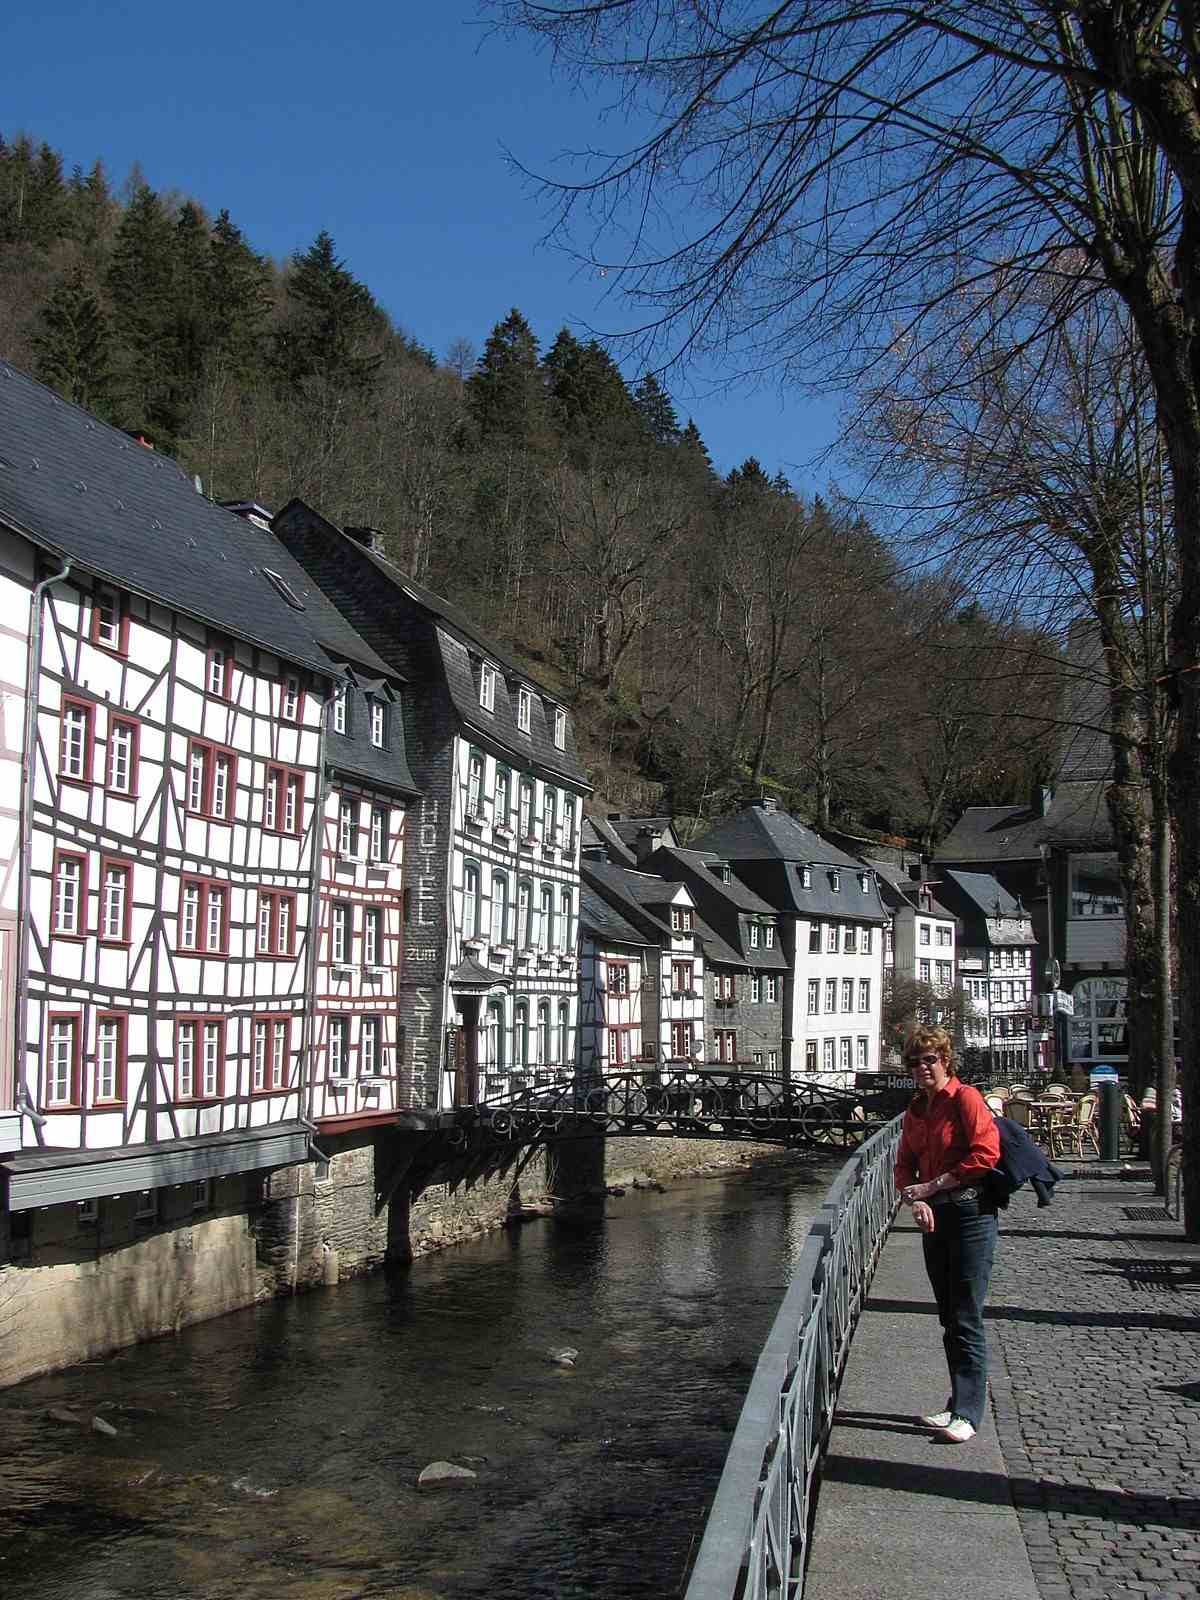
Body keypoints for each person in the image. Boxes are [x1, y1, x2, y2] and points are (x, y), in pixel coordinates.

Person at [894, 1024, 1001, 1444]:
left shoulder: (965, 1098)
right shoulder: (916, 1111)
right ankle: (957, 1402)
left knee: (966, 1313)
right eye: (914, 1062)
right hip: (935, 1216)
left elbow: (986, 1154)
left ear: (945, 1060)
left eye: (929, 1059)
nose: (922, 1067)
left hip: (971, 1214)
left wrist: (934, 1186)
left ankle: (970, 1413)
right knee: (948, 1315)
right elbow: (904, 1164)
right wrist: (914, 1198)